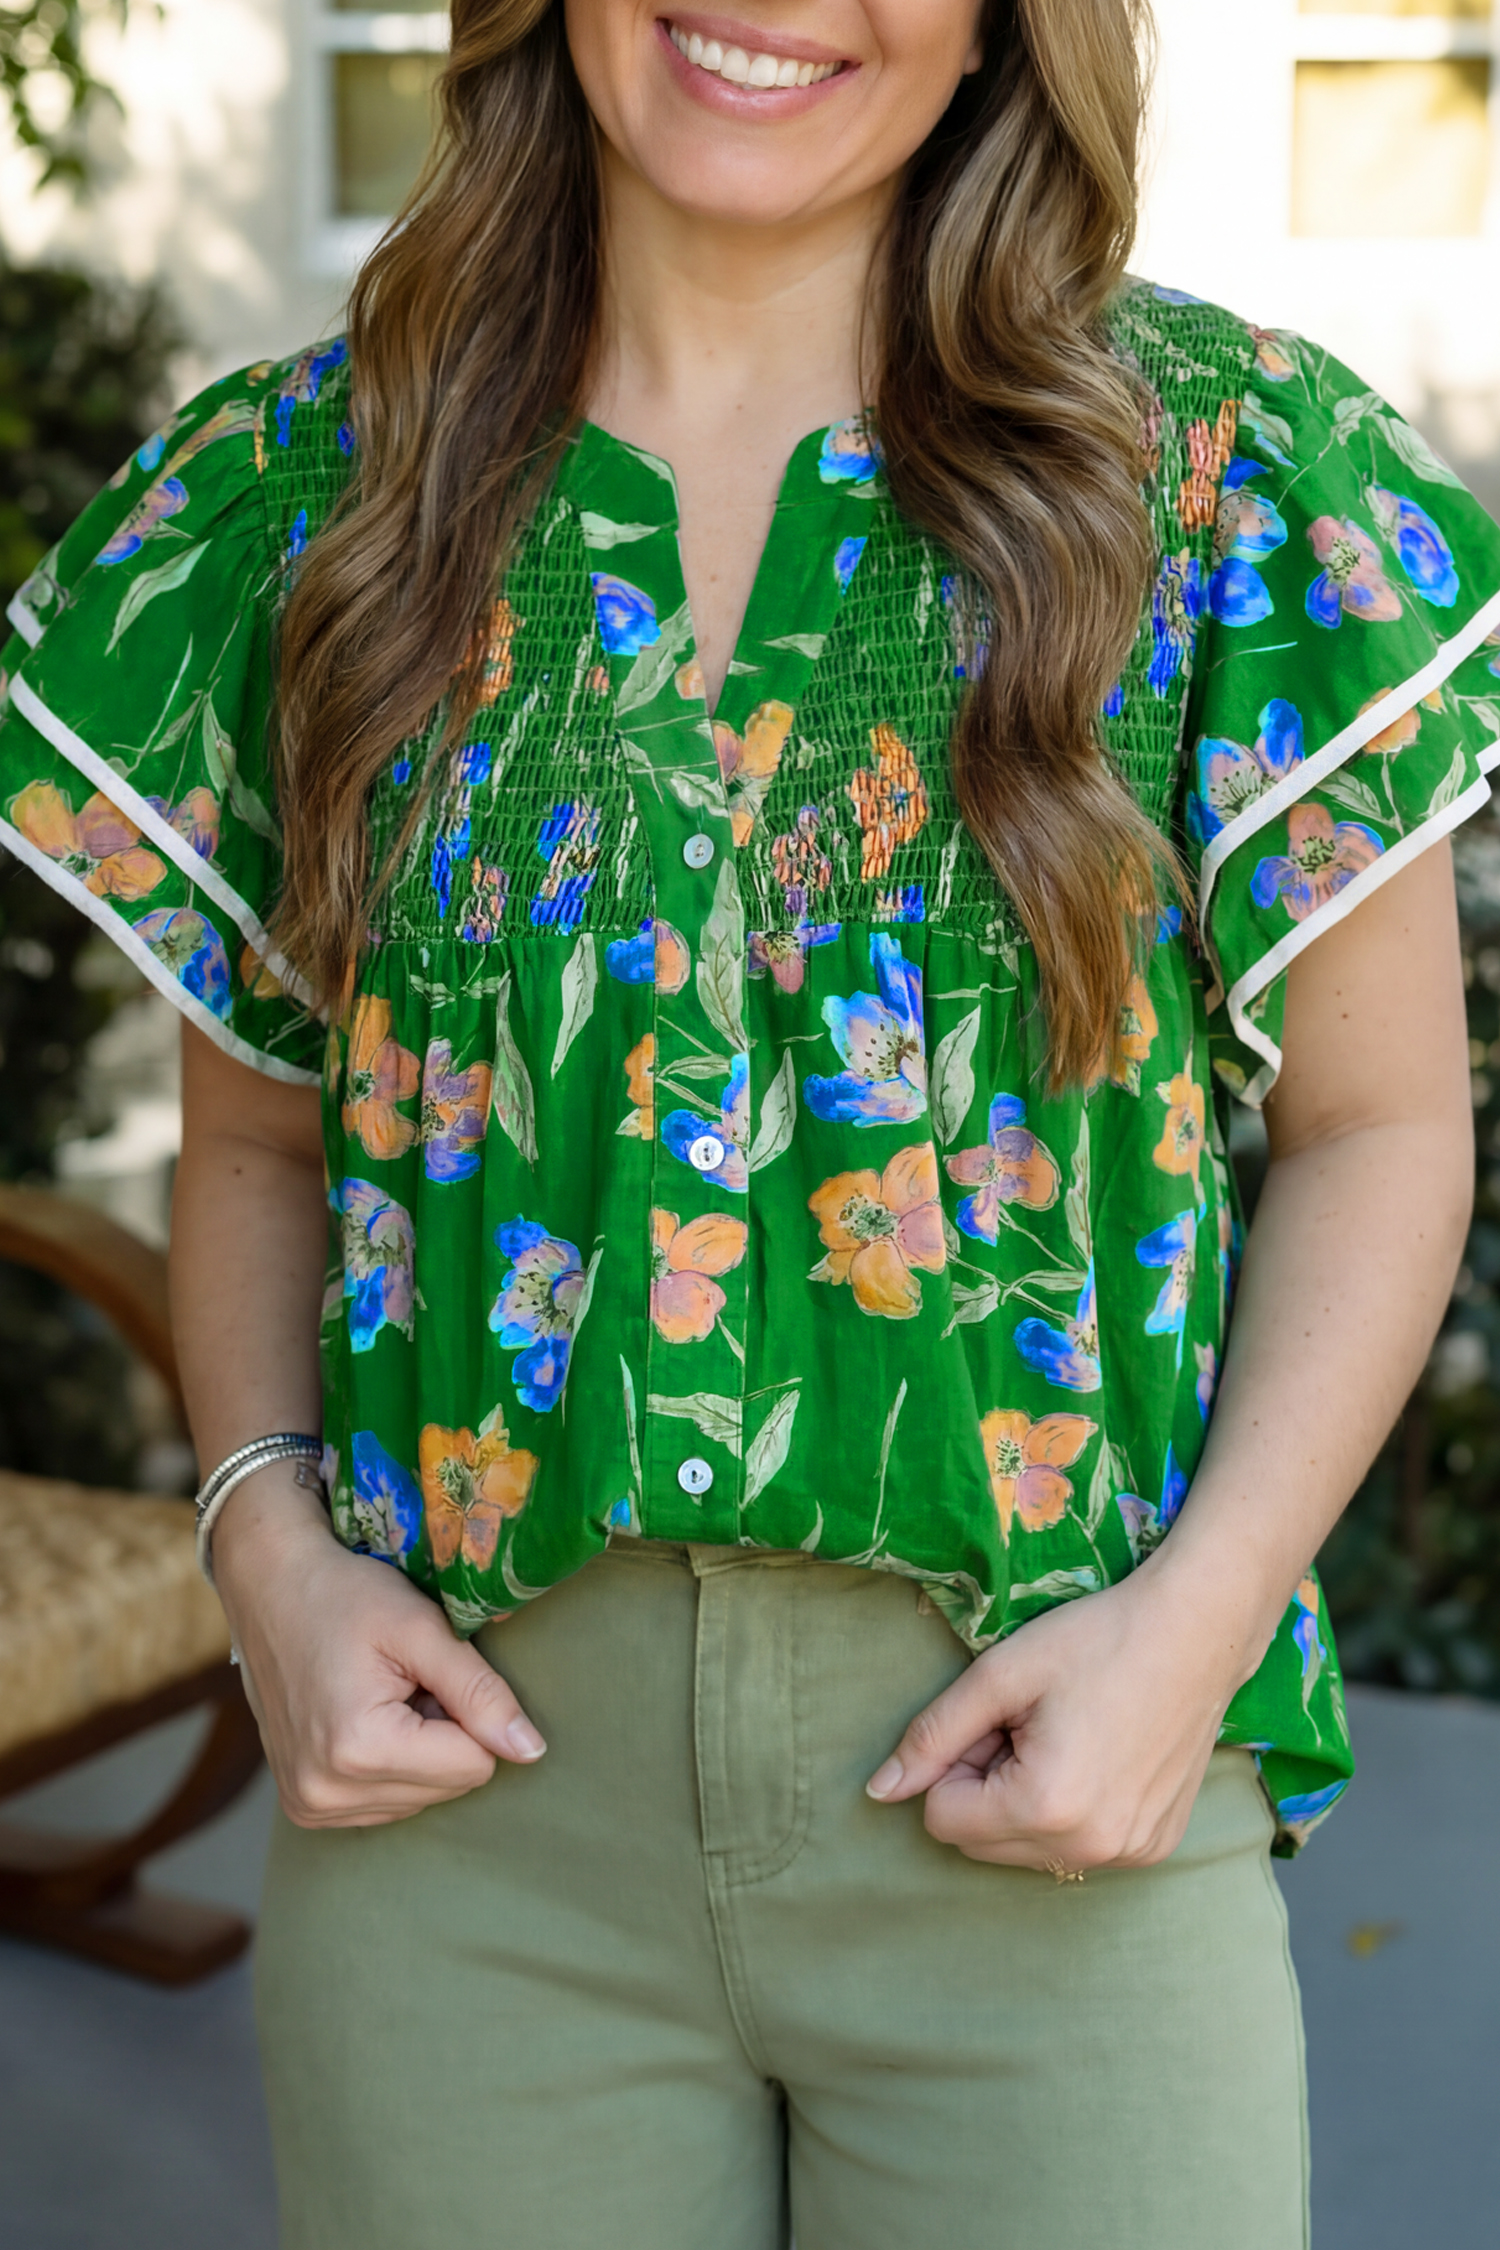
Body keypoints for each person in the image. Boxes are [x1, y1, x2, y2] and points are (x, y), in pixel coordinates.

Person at [2, 0, 1496, 2241]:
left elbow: (1383, 1130)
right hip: (466, 1840)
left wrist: (1195, 1635)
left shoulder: (1212, 478)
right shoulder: (322, 504)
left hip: (1050, 1783)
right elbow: (261, 1147)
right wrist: (264, 1551)